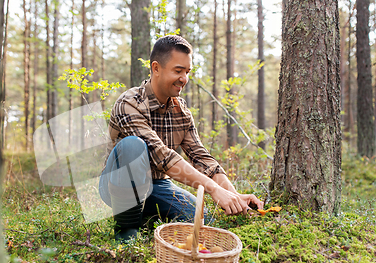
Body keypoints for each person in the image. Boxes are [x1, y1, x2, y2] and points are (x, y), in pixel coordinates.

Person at [99, 35, 263, 241]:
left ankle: (147, 218)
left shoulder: (181, 110)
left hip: (157, 185)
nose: (184, 78)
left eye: (187, 72)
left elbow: (202, 158)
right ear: (156, 68)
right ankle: (126, 235)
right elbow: (162, 156)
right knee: (133, 146)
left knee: (202, 219)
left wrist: (233, 195)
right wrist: (213, 189)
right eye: (178, 71)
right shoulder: (130, 103)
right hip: (117, 183)